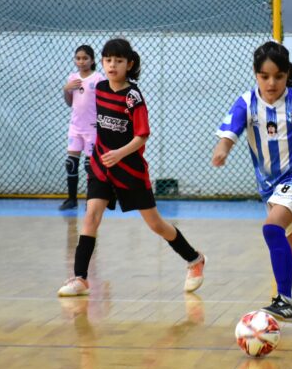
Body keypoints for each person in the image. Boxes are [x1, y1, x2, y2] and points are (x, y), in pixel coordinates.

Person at [58, 38, 206, 297]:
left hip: (130, 170)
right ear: (101, 63)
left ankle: (194, 259)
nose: (112, 65)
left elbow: (142, 136)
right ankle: (80, 278)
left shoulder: (133, 97)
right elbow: (78, 103)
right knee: (91, 217)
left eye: (118, 60)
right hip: (102, 165)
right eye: (108, 60)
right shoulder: (100, 88)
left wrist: (120, 154)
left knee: (156, 224)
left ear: (130, 64)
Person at [212, 41, 292, 322]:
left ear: (287, 75)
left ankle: (284, 301)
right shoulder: (246, 102)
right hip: (270, 189)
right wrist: (223, 148)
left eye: (278, 77)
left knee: (271, 228)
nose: (271, 83)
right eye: (264, 76)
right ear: (256, 74)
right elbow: (230, 129)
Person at [60, 45, 106, 211]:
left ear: (92, 60)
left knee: (90, 165)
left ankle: (91, 201)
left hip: (92, 128)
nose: (81, 61)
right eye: (78, 58)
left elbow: (103, 103)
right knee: (71, 163)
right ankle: (71, 199)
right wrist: (66, 89)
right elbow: (69, 102)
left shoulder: (98, 79)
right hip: (75, 127)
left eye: (85, 58)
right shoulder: (72, 78)